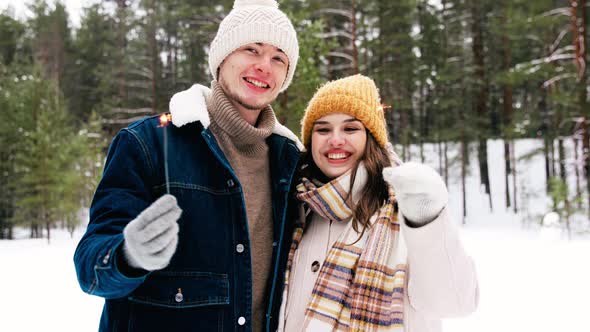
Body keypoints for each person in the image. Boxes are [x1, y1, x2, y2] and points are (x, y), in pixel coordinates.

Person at [73, 0, 303, 331]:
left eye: (278, 58)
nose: (265, 65)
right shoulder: (148, 144)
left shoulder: (290, 161)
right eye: (251, 49)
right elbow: (91, 268)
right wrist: (128, 256)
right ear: (222, 58)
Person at [278, 74, 479, 331]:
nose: (335, 139)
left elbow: (454, 303)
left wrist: (425, 221)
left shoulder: (405, 206)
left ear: (371, 138)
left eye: (350, 128)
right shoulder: (298, 208)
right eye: (323, 129)